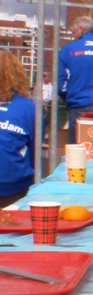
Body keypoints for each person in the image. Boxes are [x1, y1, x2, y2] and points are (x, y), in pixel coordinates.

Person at [0, 52, 35, 208]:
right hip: (15, 185)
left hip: (13, 184)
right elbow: (34, 151)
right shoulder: (28, 107)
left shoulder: (28, 107)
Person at [41, 71, 52, 142]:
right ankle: (42, 133)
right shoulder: (40, 86)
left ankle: (47, 133)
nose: (44, 78)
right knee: (43, 119)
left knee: (49, 120)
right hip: (42, 104)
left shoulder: (52, 86)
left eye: (45, 76)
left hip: (50, 103)